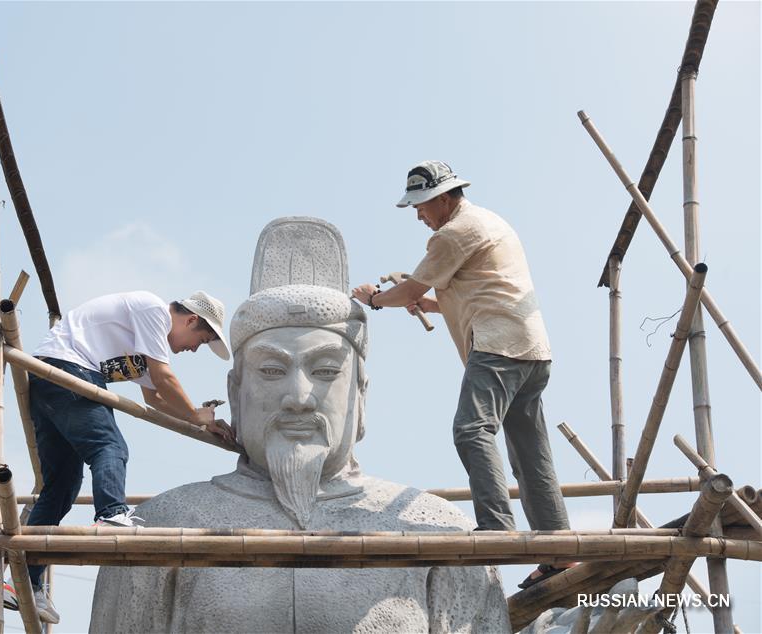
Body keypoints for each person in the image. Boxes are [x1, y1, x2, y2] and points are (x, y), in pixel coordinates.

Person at [90, 218, 511, 633]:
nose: (299, 397)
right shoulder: (161, 528)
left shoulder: (438, 532)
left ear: (360, 394)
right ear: (235, 393)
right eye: (271, 371)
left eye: (327, 371)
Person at [351, 160, 572, 590]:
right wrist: (426, 303)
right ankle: (561, 551)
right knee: (528, 449)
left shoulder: (451, 234)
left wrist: (375, 298)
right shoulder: (486, 222)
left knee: (471, 429)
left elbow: (411, 289)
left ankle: (496, 527)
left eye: (420, 206)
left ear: (445, 198)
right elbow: (470, 288)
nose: (418, 215)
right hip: (529, 350)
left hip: (498, 347)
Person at [5, 290, 235, 624]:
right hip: (70, 369)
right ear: (191, 320)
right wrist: (195, 415)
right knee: (110, 448)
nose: (193, 349)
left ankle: (24, 580)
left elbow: (155, 397)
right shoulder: (153, 311)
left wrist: (199, 420)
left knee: (62, 486)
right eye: (200, 340)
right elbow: (164, 378)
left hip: (48, 379)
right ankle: (112, 514)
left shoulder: (142, 344)